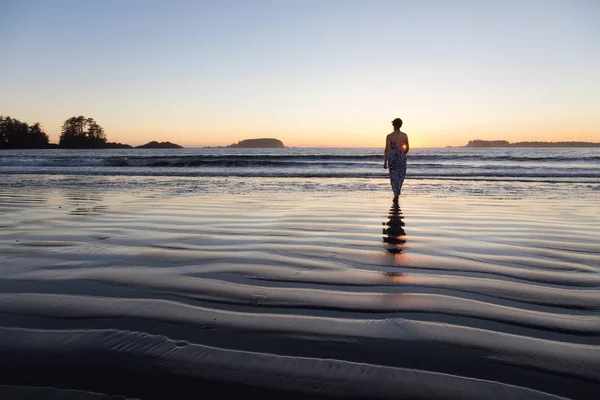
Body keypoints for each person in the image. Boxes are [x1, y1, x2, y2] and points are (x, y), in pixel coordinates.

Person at [383, 118, 409, 201]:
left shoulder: (389, 136)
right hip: (401, 158)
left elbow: (387, 149)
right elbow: (407, 148)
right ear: (401, 125)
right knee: (401, 175)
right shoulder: (404, 135)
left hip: (392, 158)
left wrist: (385, 162)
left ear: (393, 125)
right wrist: (402, 154)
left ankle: (395, 194)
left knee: (393, 177)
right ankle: (397, 192)